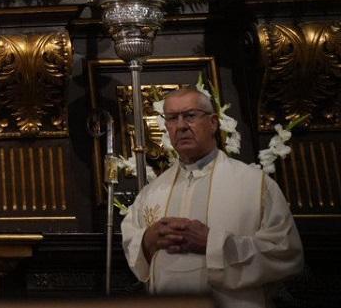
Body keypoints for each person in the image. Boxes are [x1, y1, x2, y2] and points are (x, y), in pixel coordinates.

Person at [121, 86, 303, 307]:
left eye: (189, 116)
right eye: (172, 118)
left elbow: (285, 253)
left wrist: (213, 244)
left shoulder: (255, 185)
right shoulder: (151, 193)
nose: (180, 126)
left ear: (213, 123)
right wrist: (147, 241)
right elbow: (134, 246)